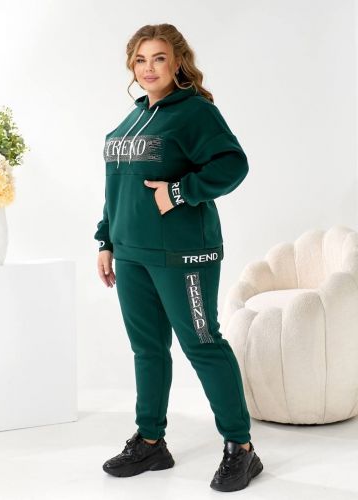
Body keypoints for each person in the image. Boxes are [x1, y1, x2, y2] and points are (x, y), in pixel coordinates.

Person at [94, 23, 263, 492]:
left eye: (159, 58)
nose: (148, 68)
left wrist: (179, 191)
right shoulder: (132, 120)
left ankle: (241, 448)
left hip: (183, 254)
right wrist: (106, 241)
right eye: (140, 60)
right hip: (132, 254)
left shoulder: (195, 112)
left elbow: (233, 164)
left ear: (178, 63)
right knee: (147, 349)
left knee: (202, 343)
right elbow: (117, 188)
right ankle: (151, 441)